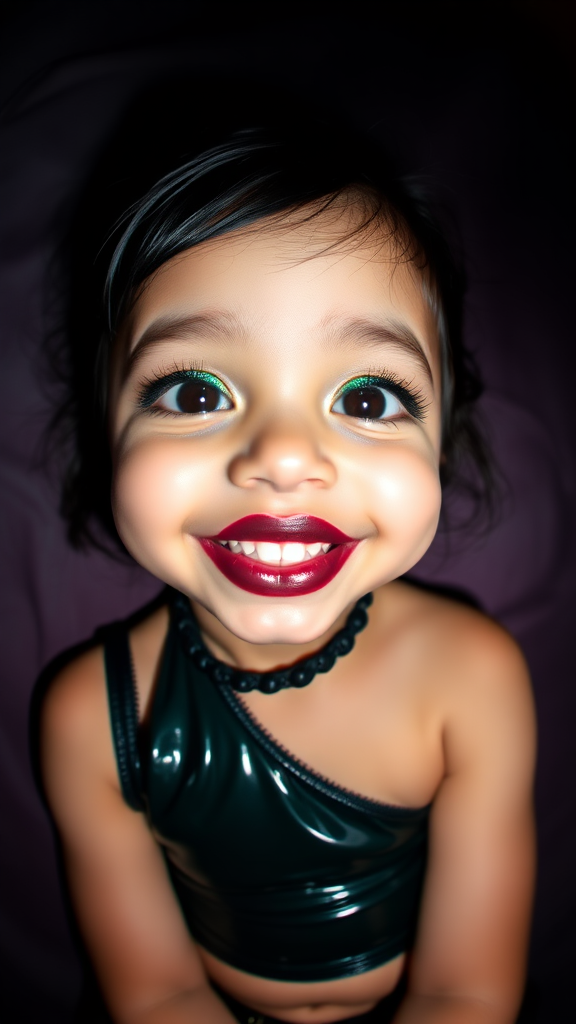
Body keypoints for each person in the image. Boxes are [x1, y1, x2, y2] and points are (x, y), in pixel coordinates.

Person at [40, 122, 535, 1024]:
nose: (282, 458)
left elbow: (469, 990)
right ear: (106, 427)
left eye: (367, 398)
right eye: (195, 393)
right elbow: (157, 992)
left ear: (445, 437)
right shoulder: (92, 718)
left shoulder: (474, 675)